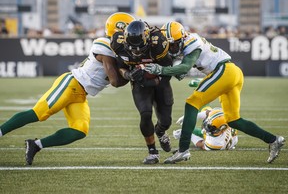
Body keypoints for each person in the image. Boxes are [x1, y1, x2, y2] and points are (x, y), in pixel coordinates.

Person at [0, 12, 135, 165]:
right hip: (72, 84)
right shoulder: (104, 44)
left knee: (79, 130)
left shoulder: (121, 52)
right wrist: (131, 74)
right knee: (39, 113)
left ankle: (35, 145)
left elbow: (117, 81)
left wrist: (131, 72)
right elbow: (115, 81)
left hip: (81, 94)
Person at [144, 21, 285, 164]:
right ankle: (273, 140)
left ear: (182, 38)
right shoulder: (185, 41)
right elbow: (184, 66)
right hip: (232, 73)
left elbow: (185, 67)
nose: (173, 47)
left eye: (174, 44)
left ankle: (183, 150)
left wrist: (161, 70)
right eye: (171, 44)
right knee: (233, 120)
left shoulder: (191, 42)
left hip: (224, 71)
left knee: (192, 103)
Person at [110, 20, 174, 164]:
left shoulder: (158, 42)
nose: (136, 51)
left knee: (166, 121)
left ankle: (161, 132)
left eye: (140, 48)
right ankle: (152, 152)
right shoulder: (118, 42)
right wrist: (129, 75)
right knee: (145, 114)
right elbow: (121, 67)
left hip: (160, 81)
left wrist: (152, 81)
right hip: (139, 83)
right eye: (132, 48)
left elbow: (168, 71)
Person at [173, 106, 238, 150]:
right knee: (206, 109)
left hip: (220, 140)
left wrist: (188, 134)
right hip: (224, 135)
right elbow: (208, 112)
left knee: (203, 132)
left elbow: (201, 144)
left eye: (211, 127)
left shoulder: (215, 143)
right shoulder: (224, 120)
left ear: (221, 130)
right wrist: (189, 117)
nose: (207, 125)